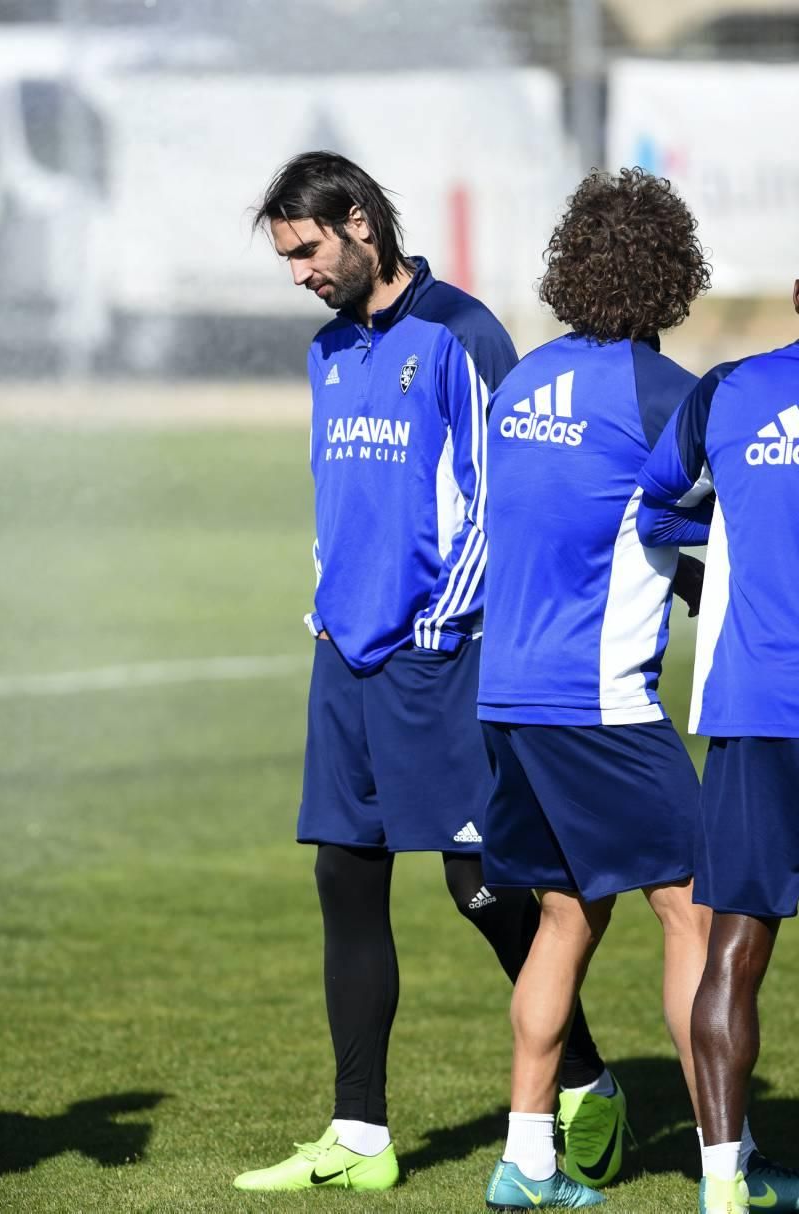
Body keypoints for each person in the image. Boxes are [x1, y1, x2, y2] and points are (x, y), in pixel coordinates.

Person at [233, 151, 623, 1195]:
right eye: (286, 258)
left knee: (477, 882)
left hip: (434, 657)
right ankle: (359, 1133)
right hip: (343, 658)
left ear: (360, 223)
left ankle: (581, 1074)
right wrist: (325, 599)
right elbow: (337, 496)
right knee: (343, 881)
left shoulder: (461, 332)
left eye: (308, 249)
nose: (300, 274)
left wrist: (441, 623)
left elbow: (503, 497)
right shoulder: (324, 351)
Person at [475, 167, 716, 1210]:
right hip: (600, 702)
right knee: (697, 907)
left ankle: (524, 1163)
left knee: (564, 917)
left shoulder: (523, 380)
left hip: (506, 697)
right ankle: (728, 1162)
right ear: (671, 275)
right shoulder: (662, 394)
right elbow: (714, 534)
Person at [638, 281, 799, 1214]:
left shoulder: (729, 389)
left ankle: (722, 1189)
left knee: (734, 950)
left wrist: (721, 544)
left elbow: (655, 506)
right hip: (756, 706)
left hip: (754, 706)